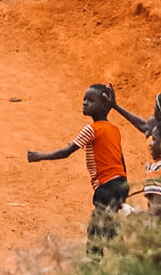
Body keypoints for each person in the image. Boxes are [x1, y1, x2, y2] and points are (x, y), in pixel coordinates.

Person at [28, 83, 129, 249]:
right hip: (120, 183)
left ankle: (96, 264)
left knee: (99, 230)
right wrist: (125, 186)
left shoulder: (91, 129)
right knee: (106, 226)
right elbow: (121, 159)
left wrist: (39, 156)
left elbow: (67, 151)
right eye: (84, 99)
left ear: (104, 106)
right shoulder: (114, 129)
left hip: (106, 187)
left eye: (90, 100)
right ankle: (118, 265)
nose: (84, 103)